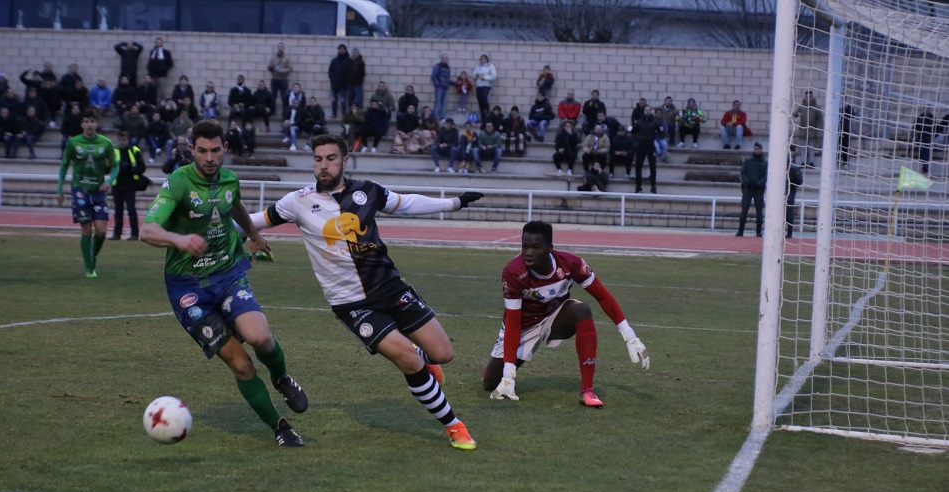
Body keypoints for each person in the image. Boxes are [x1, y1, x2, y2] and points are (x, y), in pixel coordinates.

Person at [247, 133, 483, 450]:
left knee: (443, 354)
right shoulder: (298, 201)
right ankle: (454, 426)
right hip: (352, 304)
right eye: (318, 159)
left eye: (331, 159)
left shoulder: (367, 191)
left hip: (391, 287)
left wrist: (454, 203)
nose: (323, 165)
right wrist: (218, 229)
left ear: (345, 161)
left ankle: (424, 359)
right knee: (409, 361)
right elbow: (253, 221)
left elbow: (405, 203)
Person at [140, 119, 308, 448]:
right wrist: (178, 239)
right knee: (241, 364)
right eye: (202, 151)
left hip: (227, 273)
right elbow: (147, 230)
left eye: (215, 150)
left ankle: (282, 378)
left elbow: (235, 205)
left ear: (225, 149)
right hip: (188, 290)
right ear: (192, 150)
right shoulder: (178, 182)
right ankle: (280, 427)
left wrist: (254, 234)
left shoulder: (230, 179)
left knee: (261, 338)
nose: (209, 158)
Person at [484, 220, 650, 407]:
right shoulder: (513, 272)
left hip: (555, 317)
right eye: (525, 246)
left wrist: (630, 336)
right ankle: (498, 371)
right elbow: (513, 323)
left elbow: (602, 296)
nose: (529, 252)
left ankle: (588, 390)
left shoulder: (571, 263)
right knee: (490, 384)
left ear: (550, 248)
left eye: (536, 247)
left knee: (582, 310)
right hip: (524, 325)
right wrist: (508, 375)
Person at [56, 109, 116, 278]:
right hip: (80, 191)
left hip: (98, 192)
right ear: (82, 124)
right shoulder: (73, 143)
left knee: (101, 231)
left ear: (97, 124)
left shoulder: (106, 143)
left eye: (92, 121)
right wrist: (59, 189)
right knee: (87, 229)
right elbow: (64, 164)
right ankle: (89, 268)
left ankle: (92, 256)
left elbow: (115, 166)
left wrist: (109, 181)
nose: (89, 125)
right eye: (86, 121)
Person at [109, 131, 146, 240]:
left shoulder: (134, 151)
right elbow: (107, 168)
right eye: (120, 140)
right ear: (117, 140)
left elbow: (142, 167)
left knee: (131, 209)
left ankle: (134, 234)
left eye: (124, 140)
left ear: (128, 140)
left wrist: (130, 169)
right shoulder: (113, 151)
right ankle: (117, 234)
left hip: (130, 185)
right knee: (118, 210)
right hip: (117, 185)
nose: (122, 142)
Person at [737, 142, 768, 237]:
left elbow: (766, 175)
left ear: (761, 150)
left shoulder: (764, 162)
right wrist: (748, 182)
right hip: (748, 188)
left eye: (758, 149)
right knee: (744, 208)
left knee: (759, 209)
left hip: (759, 189)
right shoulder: (748, 161)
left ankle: (758, 231)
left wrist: (759, 184)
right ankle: (741, 230)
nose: (757, 151)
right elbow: (743, 173)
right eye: (755, 149)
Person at [632, 106, 663, 193]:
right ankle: (638, 186)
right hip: (640, 146)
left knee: (653, 167)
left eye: (649, 110)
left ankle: (653, 186)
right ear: (644, 111)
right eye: (646, 110)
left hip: (651, 147)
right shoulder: (639, 122)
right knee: (638, 167)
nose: (647, 111)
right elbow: (633, 132)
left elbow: (661, 132)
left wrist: (661, 130)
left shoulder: (655, 122)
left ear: (651, 111)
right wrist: (636, 141)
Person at [792, 90, 822, 168]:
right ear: (805, 98)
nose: (808, 98)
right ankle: (803, 162)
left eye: (810, 97)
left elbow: (820, 120)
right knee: (803, 148)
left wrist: (819, 131)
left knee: (811, 148)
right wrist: (798, 114)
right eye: (807, 97)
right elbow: (794, 114)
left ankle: (812, 163)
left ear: (812, 98)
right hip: (803, 131)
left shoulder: (816, 108)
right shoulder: (801, 107)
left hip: (812, 131)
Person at [267, 42, 293, 114]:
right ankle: (272, 112)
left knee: (284, 97)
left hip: (283, 79)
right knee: (273, 96)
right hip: (274, 79)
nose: (280, 48)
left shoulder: (287, 58)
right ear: (277, 48)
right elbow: (269, 67)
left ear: (284, 48)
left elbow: (290, 69)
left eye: (282, 47)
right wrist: (272, 68)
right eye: (279, 47)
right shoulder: (273, 57)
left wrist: (281, 70)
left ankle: (285, 112)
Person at [327, 44, 351, 118]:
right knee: (334, 100)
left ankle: (344, 114)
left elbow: (349, 73)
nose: (341, 50)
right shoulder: (334, 61)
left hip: (343, 85)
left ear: (345, 50)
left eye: (342, 49)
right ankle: (334, 114)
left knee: (343, 100)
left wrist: (345, 81)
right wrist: (332, 78)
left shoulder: (348, 61)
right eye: (340, 49)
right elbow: (330, 71)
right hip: (334, 85)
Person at [472, 54, 497, 125]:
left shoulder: (490, 66)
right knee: (480, 102)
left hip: (486, 85)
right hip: (479, 86)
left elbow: (494, 76)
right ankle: (483, 118)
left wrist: (484, 77)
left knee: (484, 99)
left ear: (486, 59)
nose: (482, 60)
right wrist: (476, 75)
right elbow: (473, 75)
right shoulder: (478, 67)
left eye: (484, 59)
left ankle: (488, 111)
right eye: (481, 59)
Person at [913, 108, 936, 175]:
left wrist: (934, 136)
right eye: (926, 109)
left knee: (927, 152)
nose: (927, 110)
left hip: (929, 138)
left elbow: (937, 128)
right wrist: (914, 136)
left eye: (929, 109)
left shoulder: (933, 118)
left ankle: (925, 167)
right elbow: (915, 127)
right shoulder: (920, 118)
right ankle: (924, 164)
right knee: (922, 151)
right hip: (921, 137)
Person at [785, 158, 804, 239]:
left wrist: (791, 183)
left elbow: (799, 181)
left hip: (790, 191)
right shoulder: (777, 167)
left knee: (789, 211)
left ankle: (789, 232)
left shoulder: (794, 168)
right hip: (780, 191)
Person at [430, 53, 451, 121]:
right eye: (443, 58)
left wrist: (456, 83)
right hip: (439, 88)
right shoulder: (437, 66)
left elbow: (447, 78)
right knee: (437, 103)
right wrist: (438, 85)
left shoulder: (448, 67)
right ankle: (434, 118)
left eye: (446, 58)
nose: (445, 59)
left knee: (444, 104)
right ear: (441, 59)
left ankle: (442, 118)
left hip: (445, 88)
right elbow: (433, 76)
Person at [839, 100, 855, 170]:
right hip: (837, 131)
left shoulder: (848, 108)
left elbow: (853, 115)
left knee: (845, 148)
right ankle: (835, 163)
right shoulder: (838, 108)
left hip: (846, 131)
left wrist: (847, 107)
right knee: (837, 148)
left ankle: (845, 164)